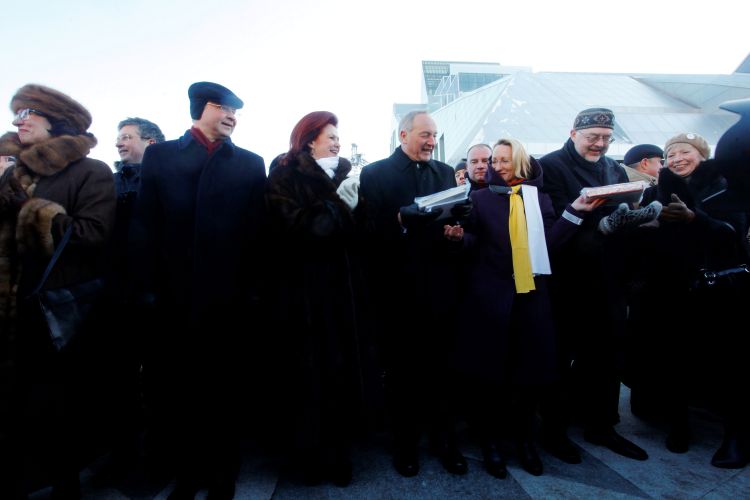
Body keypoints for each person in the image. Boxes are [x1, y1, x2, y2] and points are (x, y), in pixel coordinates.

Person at [129, 81, 267, 499]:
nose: (232, 116)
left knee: (226, 392)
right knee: (180, 392)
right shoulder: (161, 156)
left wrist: (253, 292)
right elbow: (145, 224)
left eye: (235, 111)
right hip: (174, 300)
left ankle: (224, 475)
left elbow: (257, 235)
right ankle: (188, 476)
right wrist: (146, 289)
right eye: (223, 108)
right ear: (201, 108)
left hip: (229, 302)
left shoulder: (250, 163)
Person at [445, 138, 603, 479]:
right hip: (490, 300)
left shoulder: (538, 198)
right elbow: (474, 242)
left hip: (531, 299)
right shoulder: (479, 198)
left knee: (528, 375)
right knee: (489, 375)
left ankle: (525, 441)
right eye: (495, 160)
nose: (497, 166)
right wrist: (459, 239)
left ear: (520, 163)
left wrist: (575, 211)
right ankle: (490, 443)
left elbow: (550, 243)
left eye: (505, 160)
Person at [0, 84, 116, 499]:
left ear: (56, 121)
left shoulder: (91, 171)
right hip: (9, 310)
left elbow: (93, 234)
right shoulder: (12, 172)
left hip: (53, 315)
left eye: (28, 112)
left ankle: (65, 486)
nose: (18, 121)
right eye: (16, 114)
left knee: (55, 411)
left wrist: (31, 211)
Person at [538, 107, 658, 464]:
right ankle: (554, 430)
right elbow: (550, 222)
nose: (600, 144)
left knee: (607, 354)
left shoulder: (612, 167)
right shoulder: (549, 166)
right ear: (573, 133)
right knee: (561, 357)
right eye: (593, 137)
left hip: (608, 277)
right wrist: (599, 225)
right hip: (567, 279)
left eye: (606, 138)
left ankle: (602, 425)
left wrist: (634, 215)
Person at [359, 110, 470, 478]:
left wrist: (457, 229)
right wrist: (401, 221)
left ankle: (445, 441)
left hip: (440, 288)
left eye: (434, 136)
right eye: (425, 135)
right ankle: (405, 444)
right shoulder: (374, 173)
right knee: (402, 373)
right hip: (397, 291)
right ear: (404, 135)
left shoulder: (444, 172)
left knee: (444, 370)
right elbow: (365, 232)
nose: (431, 142)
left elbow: (456, 223)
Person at [636, 132, 749, 467]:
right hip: (671, 291)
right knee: (674, 361)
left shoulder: (727, 187)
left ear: (702, 154)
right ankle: (679, 425)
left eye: (685, 152)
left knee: (729, 366)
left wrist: (694, 218)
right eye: (670, 154)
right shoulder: (654, 191)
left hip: (719, 292)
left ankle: (736, 436)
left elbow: (733, 236)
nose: (677, 159)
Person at [264, 111, 361, 486]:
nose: (337, 143)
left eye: (338, 137)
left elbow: (358, 235)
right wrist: (338, 205)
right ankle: (307, 460)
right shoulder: (284, 175)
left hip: (343, 295)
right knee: (306, 379)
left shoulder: (345, 175)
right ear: (309, 141)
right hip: (303, 296)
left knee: (340, 376)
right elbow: (296, 229)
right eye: (330, 136)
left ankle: (340, 455)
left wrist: (356, 208)